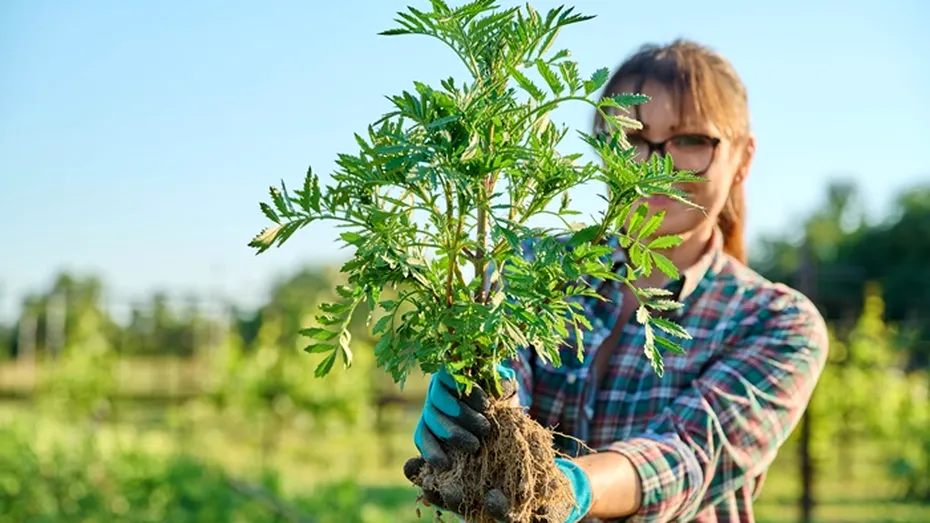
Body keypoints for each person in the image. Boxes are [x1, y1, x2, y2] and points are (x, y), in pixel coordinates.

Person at [406, 39, 829, 522]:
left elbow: (690, 453)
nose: (655, 164)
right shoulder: (529, 263)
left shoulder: (776, 321)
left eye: (690, 139)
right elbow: (507, 372)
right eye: (631, 136)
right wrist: (475, 395)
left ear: (744, 159)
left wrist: (571, 487)